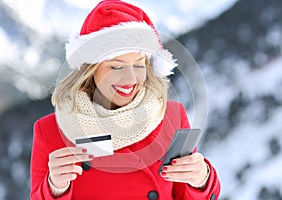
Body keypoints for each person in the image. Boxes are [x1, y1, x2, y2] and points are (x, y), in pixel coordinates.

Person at [30, 0, 220, 199]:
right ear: (89, 69)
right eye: (116, 67)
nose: (131, 79)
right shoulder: (50, 131)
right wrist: (55, 187)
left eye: (139, 65)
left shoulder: (172, 116)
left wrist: (201, 179)